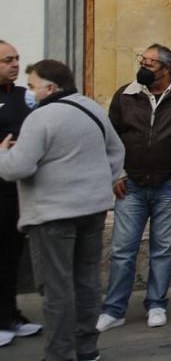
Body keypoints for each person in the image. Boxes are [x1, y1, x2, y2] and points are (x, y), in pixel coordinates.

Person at [0, 60, 124, 361]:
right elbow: (116, 152)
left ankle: (59, 354)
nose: (30, 92)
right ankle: (87, 350)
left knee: (57, 289)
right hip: (92, 211)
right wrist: (96, 182)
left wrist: (2, 153)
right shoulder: (92, 109)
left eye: (32, 86)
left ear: (50, 87)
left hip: (52, 215)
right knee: (87, 282)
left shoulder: (40, 118)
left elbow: (18, 167)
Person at [98, 44, 171, 332]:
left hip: (170, 187)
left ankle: (157, 303)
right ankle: (114, 309)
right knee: (123, 249)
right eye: (143, 60)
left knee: (163, 248)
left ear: (167, 68)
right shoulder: (126, 95)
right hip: (131, 185)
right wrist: (117, 173)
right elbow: (111, 137)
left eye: (150, 63)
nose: (143, 66)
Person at [0, 41, 41, 346]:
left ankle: (10, 315)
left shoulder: (23, 96)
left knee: (11, 255)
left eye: (16, 59)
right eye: (7, 60)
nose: (14, 65)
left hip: (18, 191)